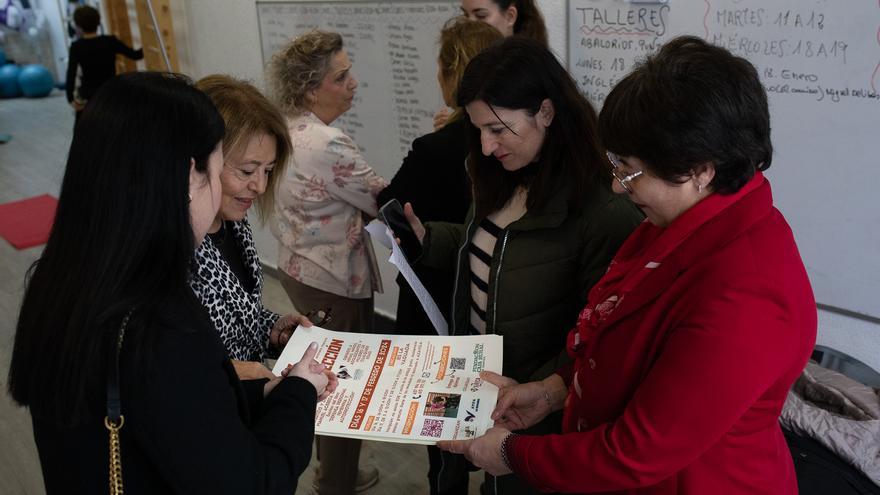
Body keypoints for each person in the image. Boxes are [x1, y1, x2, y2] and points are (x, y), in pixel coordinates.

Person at [438, 36, 818, 495]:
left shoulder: (747, 293)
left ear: (701, 169)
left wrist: (508, 453)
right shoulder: (679, 222)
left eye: (631, 171)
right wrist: (551, 391)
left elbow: (636, 452)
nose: (619, 187)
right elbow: (617, 339)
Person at [7, 71, 337, 493]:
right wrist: (299, 393)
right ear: (187, 176)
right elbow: (254, 482)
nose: (243, 188)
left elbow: (165, 415)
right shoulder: (163, 322)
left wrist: (261, 393)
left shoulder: (63, 277)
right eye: (224, 169)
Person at [405, 37, 643, 495]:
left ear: (547, 113)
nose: (487, 145)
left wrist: (546, 389)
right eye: (477, 129)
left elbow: (603, 336)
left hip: (535, 409)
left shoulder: (603, 209)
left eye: (498, 128)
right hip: (476, 382)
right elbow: (495, 251)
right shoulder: (499, 172)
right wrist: (429, 240)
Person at [376, 17, 503, 495]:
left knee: (442, 428)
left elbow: (391, 204)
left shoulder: (435, 147)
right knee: (495, 417)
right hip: (490, 301)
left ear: (452, 72)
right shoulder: (512, 145)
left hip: (436, 300)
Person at [267, 30, 386, 495]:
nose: (354, 82)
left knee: (321, 374)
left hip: (299, 272)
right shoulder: (326, 143)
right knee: (343, 390)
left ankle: (332, 473)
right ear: (311, 89)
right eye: (341, 76)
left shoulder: (287, 126)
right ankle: (335, 483)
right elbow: (384, 200)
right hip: (335, 283)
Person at [191, 74, 310, 381]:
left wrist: (272, 329)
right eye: (246, 171)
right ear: (202, 163)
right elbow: (164, 366)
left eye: (268, 171)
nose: (259, 186)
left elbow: (238, 319)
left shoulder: (234, 222)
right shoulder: (172, 247)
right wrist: (238, 372)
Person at [431, 0, 548, 129]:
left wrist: (460, 127)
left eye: (481, 16)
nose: (470, 24)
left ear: (510, 16)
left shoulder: (530, 74)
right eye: (465, 15)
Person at [65, 5, 143, 121]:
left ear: (79, 26)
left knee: (86, 132)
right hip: (111, 92)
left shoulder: (77, 47)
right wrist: (148, 43)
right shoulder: (110, 41)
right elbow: (136, 55)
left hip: (89, 96)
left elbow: (71, 73)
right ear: (98, 22)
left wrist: (70, 99)